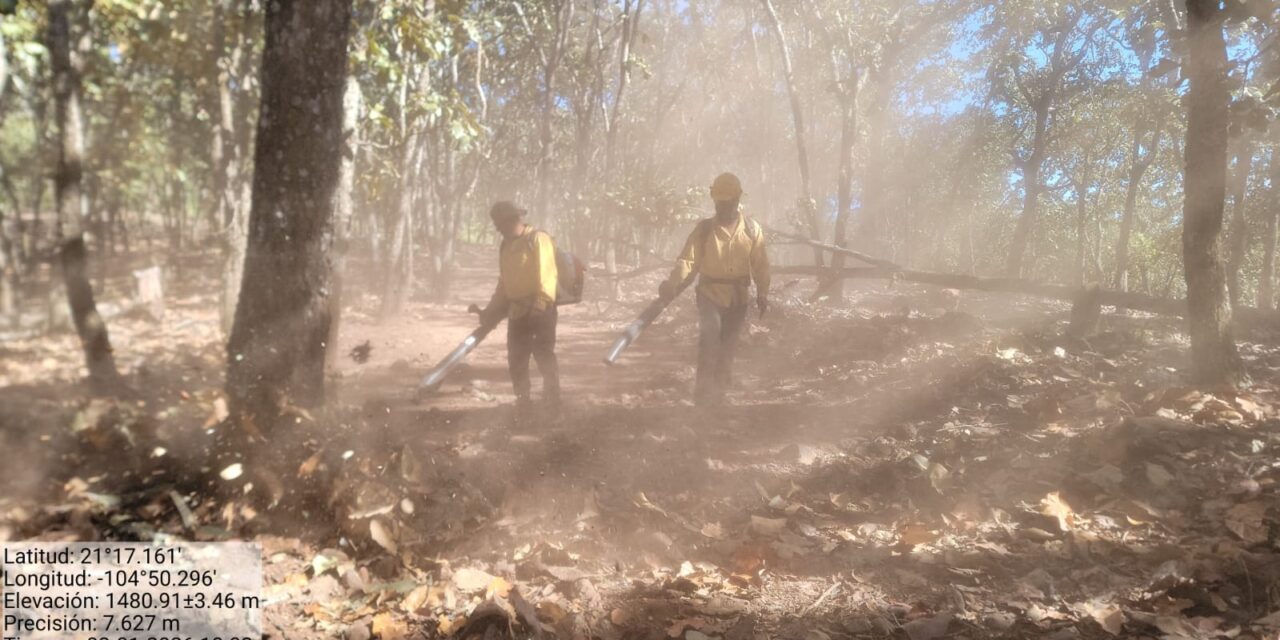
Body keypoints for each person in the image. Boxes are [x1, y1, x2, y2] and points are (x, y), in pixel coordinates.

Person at [658, 173, 770, 406]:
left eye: (728, 202)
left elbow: (761, 264)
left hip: (738, 298)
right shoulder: (704, 230)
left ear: (737, 200)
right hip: (710, 295)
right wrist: (672, 283)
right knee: (710, 341)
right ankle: (702, 397)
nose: (724, 207)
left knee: (728, 347)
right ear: (715, 202)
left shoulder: (751, 229)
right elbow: (687, 261)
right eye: (720, 203)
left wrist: (762, 292)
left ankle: (719, 397)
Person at [478, 201, 561, 416]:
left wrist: (540, 304)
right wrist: (490, 310)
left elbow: (547, 274)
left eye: (501, 224)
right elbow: (504, 283)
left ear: (514, 220)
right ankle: (523, 404)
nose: (499, 229)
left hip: (540, 310)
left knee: (543, 356)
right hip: (517, 311)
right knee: (516, 359)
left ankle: (552, 404)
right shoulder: (506, 245)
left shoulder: (538, 239)